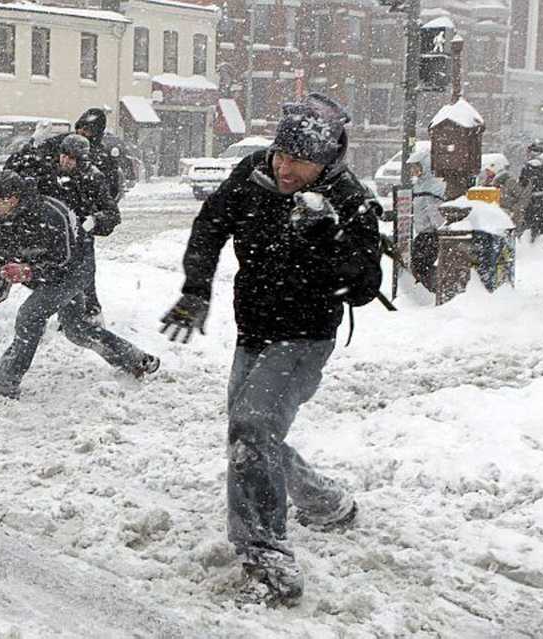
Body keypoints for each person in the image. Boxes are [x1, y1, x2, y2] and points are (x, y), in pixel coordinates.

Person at [159, 93, 382, 604]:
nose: (284, 168)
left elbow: (366, 286)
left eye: (299, 161)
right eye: (282, 155)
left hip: (305, 338)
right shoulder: (253, 174)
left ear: (327, 160)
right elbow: (210, 226)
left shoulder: (349, 201)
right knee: (253, 433)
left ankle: (266, 558)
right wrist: (196, 289)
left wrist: (325, 242)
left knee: (253, 428)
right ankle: (326, 503)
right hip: (253, 330)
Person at [0, 170, 158, 400]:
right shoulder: (0, 222)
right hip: (44, 276)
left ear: (11, 198)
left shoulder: (51, 214)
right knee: (76, 330)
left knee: (30, 316)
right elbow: (1, 265)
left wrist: (30, 271)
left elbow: (66, 261)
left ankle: (4, 383)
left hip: (73, 272)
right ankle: (136, 360)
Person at [7, 133, 120, 323]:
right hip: (51, 235)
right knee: (47, 272)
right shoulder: (47, 171)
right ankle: (43, 313)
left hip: (80, 236)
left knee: (83, 276)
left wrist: (92, 222)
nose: (66, 161)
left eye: (72, 158)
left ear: (82, 159)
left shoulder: (93, 178)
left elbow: (112, 214)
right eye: (64, 155)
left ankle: (88, 314)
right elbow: (17, 174)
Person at [407, 148, 446, 292]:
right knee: (419, 265)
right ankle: (429, 291)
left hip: (431, 235)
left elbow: (435, 213)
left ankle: (433, 291)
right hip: (423, 234)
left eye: (416, 167)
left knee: (422, 265)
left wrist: (441, 231)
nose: (413, 170)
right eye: (412, 167)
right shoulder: (419, 185)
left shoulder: (433, 186)